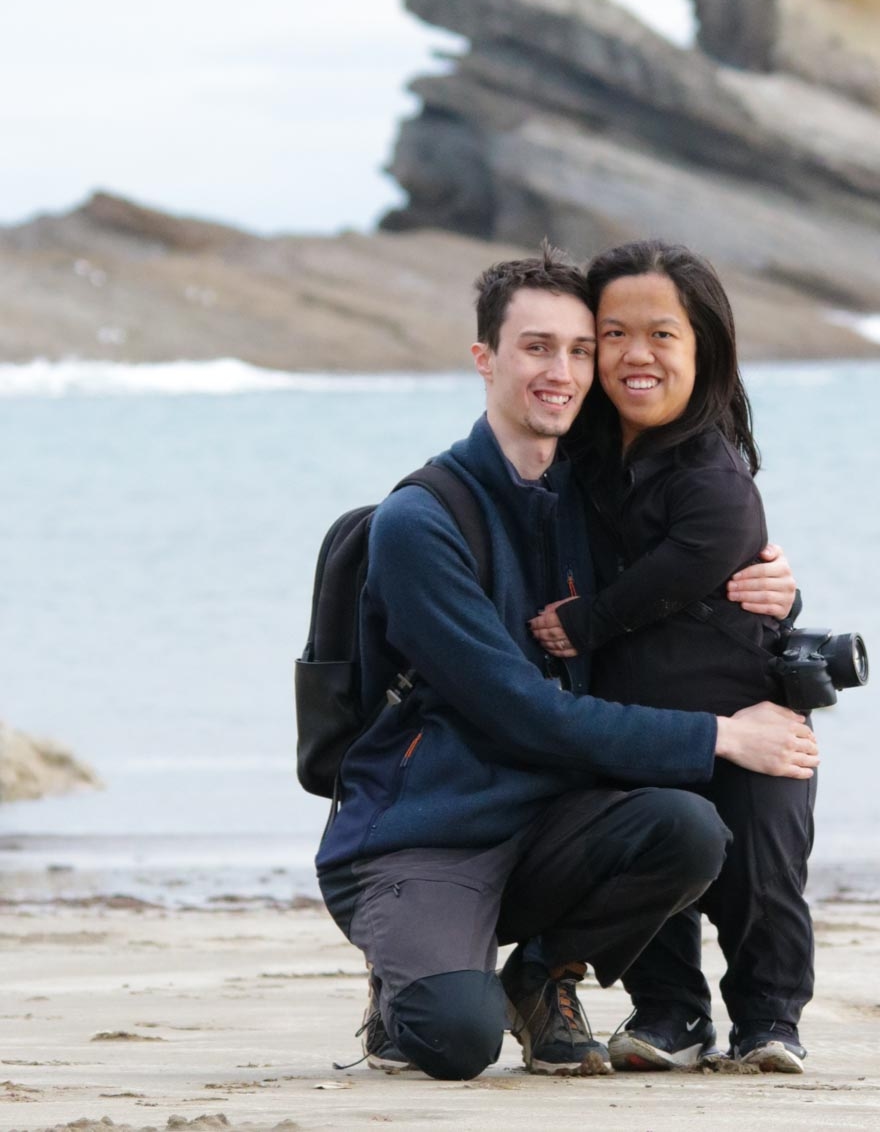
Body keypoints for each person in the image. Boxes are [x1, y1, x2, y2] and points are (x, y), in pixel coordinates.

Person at [315, 248, 818, 1082]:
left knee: (687, 829)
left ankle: (543, 971)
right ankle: (404, 980)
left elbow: (677, 596)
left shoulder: (590, 490)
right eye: (538, 347)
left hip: (552, 825)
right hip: (429, 834)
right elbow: (518, 711)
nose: (566, 370)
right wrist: (721, 736)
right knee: (454, 1040)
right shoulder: (421, 522)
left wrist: (774, 594)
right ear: (485, 359)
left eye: (582, 349)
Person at [530, 241, 819, 1074]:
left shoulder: (714, 469)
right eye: (613, 334)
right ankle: (671, 1017)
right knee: (663, 868)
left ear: (704, 349)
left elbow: (694, 561)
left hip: (751, 713)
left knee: (762, 879)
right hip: (640, 720)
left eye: (663, 334)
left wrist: (586, 622)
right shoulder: (579, 457)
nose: (636, 355)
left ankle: (770, 1022)